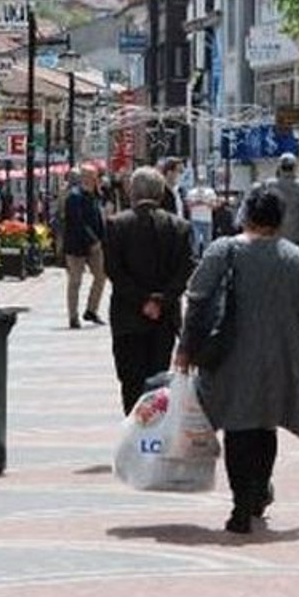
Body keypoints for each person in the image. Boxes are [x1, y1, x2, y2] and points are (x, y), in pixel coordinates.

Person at [176, 186, 299, 534]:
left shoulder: (223, 250)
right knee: (265, 425)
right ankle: (258, 492)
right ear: (279, 220)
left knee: (238, 428)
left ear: (246, 215)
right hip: (278, 356)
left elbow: (198, 298)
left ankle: (241, 504)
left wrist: (186, 348)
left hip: (229, 356)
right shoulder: (293, 257)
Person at [105, 167, 195, 413]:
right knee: (157, 383)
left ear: (131, 192)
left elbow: (114, 271)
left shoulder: (116, 225)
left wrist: (142, 301)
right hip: (163, 319)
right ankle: (153, 437)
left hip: (127, 318)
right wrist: (161, 300)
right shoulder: (179, 227)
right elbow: (186, 270)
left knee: (131, 382)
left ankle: (133, 431)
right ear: (160, 193)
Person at [64, 165, 108, 329]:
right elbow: (78, 222)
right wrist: (93, 241)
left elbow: (99, 219)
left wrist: (102, 240)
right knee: (75, 281)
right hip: (77, 246)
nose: (93, 178)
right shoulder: (74, 196)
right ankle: (73, 317)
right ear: (83, 177)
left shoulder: (95, 194)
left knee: (101, 276)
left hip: (95, 246)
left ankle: (91, 310)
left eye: (94, 175)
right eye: (89, 175)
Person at [268, 152, 299, 246]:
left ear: (280, 167)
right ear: (294, 168)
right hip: (296, 238)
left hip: (274, 238)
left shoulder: (269, 186)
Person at [185, 186, 218, 257]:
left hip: (207, 221)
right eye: (199, 179)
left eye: (203, 180)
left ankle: (206, 258)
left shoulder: (210, 192)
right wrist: (197, 202)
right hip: (195, 220)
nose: (201, 182)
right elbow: (188, 206)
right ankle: (194, 258)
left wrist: (205, 202)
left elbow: (215, 206)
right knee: (195, 241)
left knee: (207, 242)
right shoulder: (191, 192)